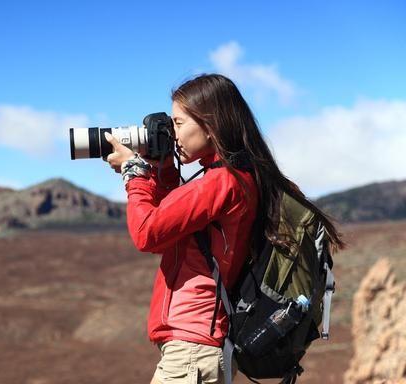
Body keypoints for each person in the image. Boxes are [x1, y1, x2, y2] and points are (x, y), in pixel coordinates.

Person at [104, 73, 343, 384]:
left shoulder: (222, 181)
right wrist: (161, 167)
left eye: (178, 123)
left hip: (192, 350)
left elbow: (147, 233)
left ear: (210, 122)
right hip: (195, 350)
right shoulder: (233, 177)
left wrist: (134, 175)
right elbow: (169, 229)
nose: (173, 134)